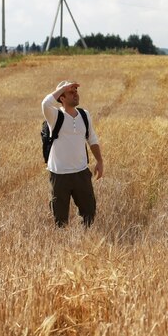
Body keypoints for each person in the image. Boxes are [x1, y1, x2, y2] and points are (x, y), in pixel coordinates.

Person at [41, 81, 104, 227]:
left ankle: (84, 242)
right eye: (71, 92)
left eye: (76, 91)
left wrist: (99, 161)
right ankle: (63, 245)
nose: (75, 94)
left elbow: (92, 138)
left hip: (81, 173)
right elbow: (45, 103)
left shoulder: (84, 114)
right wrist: (63, 88)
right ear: (62, 98)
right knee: (60, 219)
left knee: (89, 213)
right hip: (59, 175)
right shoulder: (54, 116)